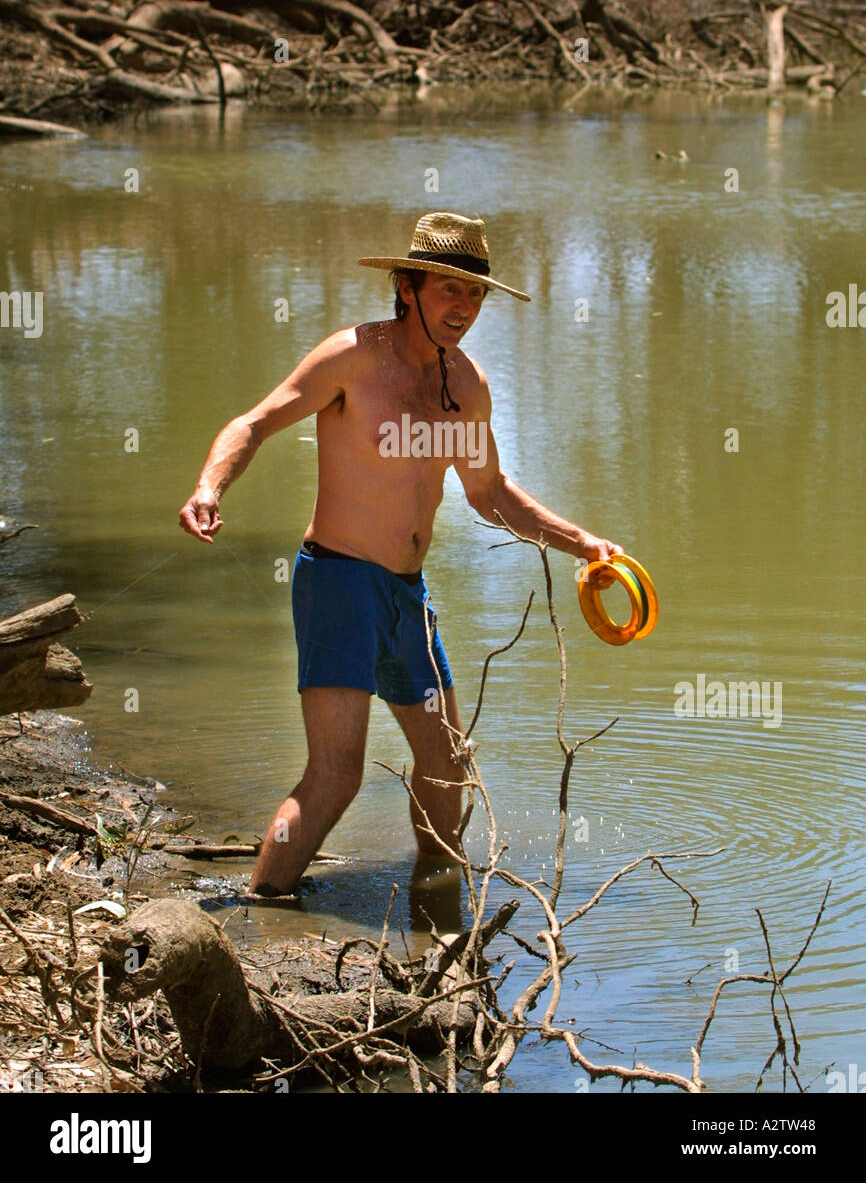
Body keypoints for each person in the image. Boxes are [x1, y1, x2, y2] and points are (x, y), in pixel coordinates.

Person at [178, 212, 622, 896]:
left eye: (474, 294)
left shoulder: (465, 386)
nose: (464, 307)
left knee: (447, 762)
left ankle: (437, 914)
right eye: (449, 289)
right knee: (336, 773)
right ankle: (262, 907)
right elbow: (255, 422)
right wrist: (210, 485)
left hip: (406, 595)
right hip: (338, 582)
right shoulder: (352, 358)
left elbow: (490, 493)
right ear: (407, 285)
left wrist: (583, 544)